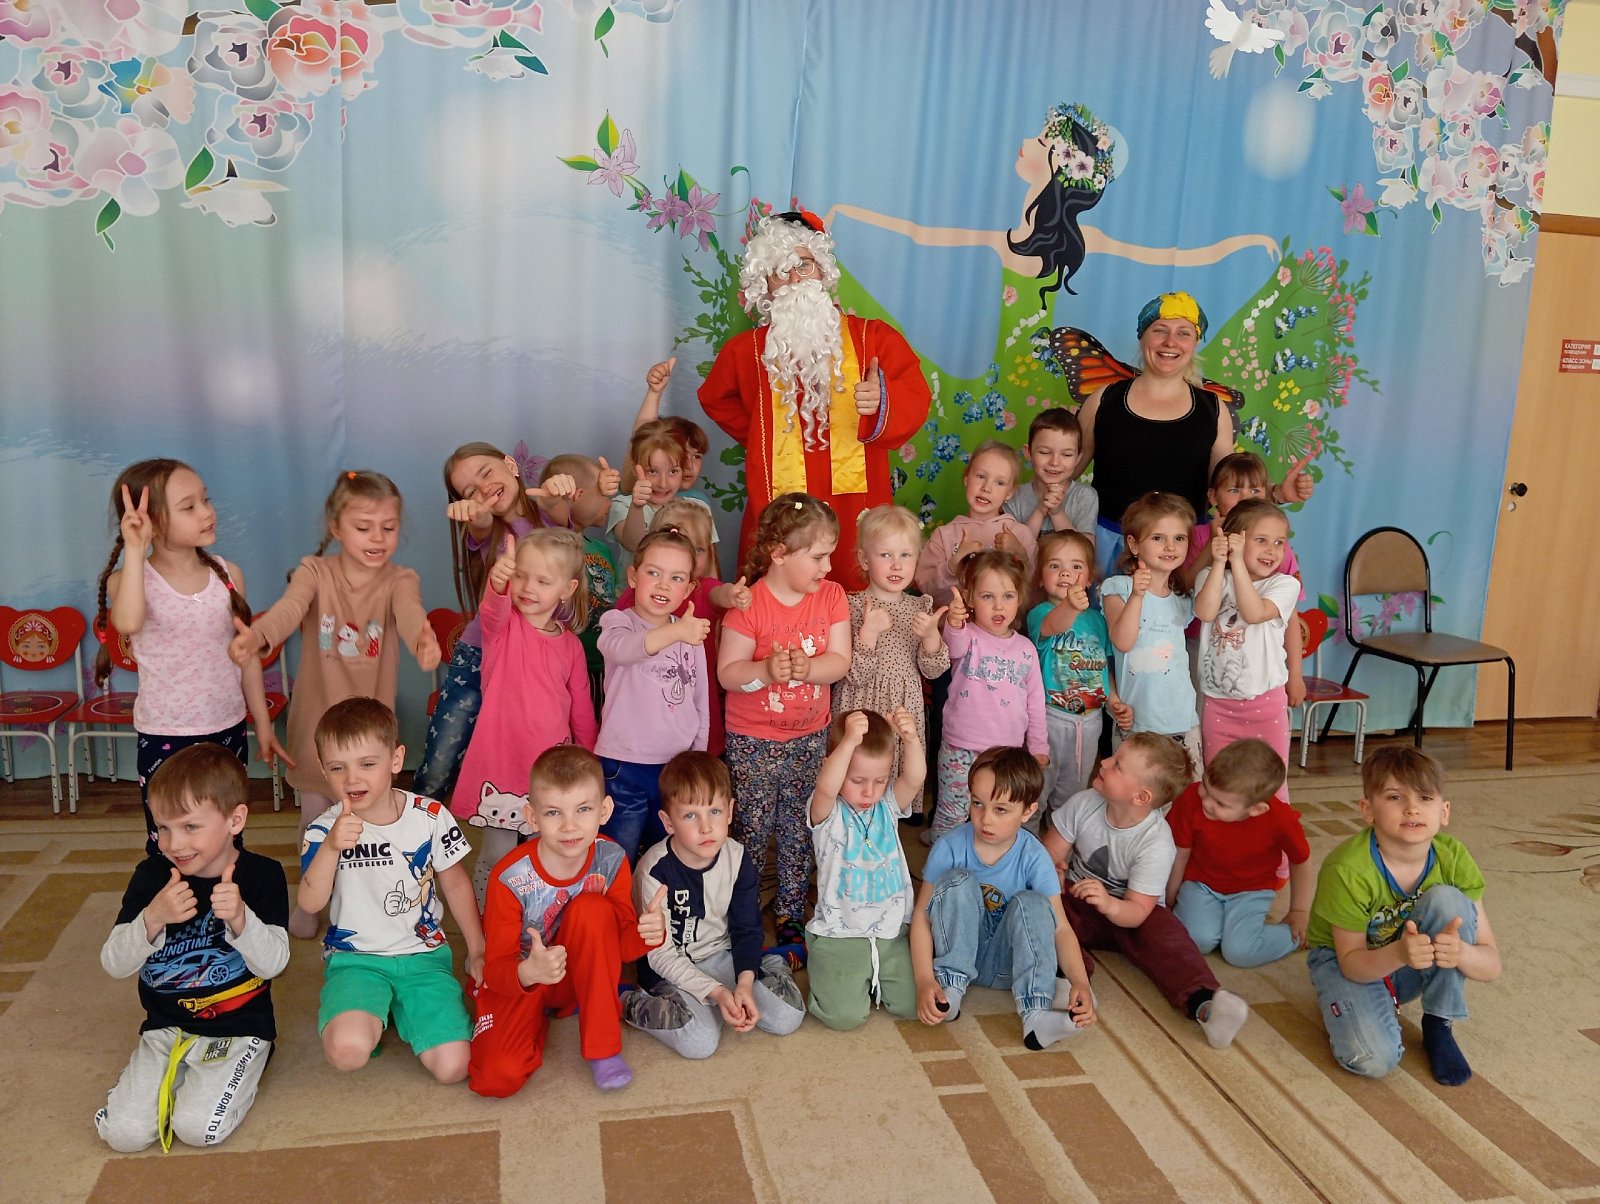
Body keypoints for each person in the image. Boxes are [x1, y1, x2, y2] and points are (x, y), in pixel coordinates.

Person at [228, 471, 441, 937]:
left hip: (368, 736)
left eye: (388, 527)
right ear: (337, 526)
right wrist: (259, 636)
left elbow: (410, 613)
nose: (377, 538)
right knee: (316, 821)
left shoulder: (400, 579)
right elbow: (287, 611)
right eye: (364, 527)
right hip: (316, 730)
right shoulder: (314, 572)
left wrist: (421, 639)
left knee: (371, 821)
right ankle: (310, 900)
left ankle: (364, 903)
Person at [698, 210, 931, 588]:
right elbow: (716, 397)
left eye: (804, 265)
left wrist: (882, 401)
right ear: (765, 284)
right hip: (780, 506)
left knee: (857, 590)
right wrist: (762, 435)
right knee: (774, 599)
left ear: (822, 270)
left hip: (856, 504)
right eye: (780, 270)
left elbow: (916, 393)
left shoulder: (873, 339)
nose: (794, 279)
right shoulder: (746, 352)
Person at [95, 744, 288, 1152]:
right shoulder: (152, 877)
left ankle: (254, 1058)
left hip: (237, 1029)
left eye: (190, 827)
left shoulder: (263, 876)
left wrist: (241, 919)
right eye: (163, 828)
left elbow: (273, 964)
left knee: (197, 1130)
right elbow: (113, 963)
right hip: (164, 1027)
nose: (173, 843)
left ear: (235, 820)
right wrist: (152, 918)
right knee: (123, 1135)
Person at [96, 459, 290, 855]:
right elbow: (128, 622)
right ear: (150, 521)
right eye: (189, 506)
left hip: (227, 729)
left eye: (206, 500)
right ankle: (175, 895)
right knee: (171, 839)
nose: (206, 512)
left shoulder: (228, 574)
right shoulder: (128, 581)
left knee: (227, 833)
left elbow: (246, 657)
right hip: (165, 734)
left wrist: (263, 723)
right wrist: (136, 548)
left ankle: (227, 894)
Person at [297, 698, 482, 1084]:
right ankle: (373, 1011)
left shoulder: (430, 816)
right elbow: (310, 902)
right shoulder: (322, 829)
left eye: (367, 764)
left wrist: (478, 949)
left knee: (454, 1068)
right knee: (347, 1051)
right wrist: (330, 848)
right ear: (323, 769)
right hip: (356, 961)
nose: (352, 779)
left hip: (423, 957)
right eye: (338, 767)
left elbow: (455, 882)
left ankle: (395, 1009)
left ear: (396, 759)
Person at [469, 745, 668, 1096]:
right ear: (531, 817)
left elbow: (620, 948)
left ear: (604, 811)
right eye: (553, 813)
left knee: (593, 909)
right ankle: (537, 1018)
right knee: (495, 1079)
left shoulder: (611, 858)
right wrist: (527, 973)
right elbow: (495, 968)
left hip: (577, 976)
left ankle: (603, 1048)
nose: (569, 826)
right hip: (522, 978)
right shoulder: (508, 877)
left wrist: (647, 933)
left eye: (583, 809)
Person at [1074, 293, 1317, 581]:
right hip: (1111, 548)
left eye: (1183, 333)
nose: (1170, 342)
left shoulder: (1213, 410)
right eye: (1160, 330)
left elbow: (1228, 484)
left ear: (1195, 342)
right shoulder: (1103, 400)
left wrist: (1276, 493)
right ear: (1142, 337)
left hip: (1184, 554)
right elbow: (1067, 470)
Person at [1306, 746, 1500, 1086]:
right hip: (1348, 961)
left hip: (1412, 959)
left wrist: (1461, 953)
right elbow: (1351, 963)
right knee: (1372, 1059)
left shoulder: (1454, 857)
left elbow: (1491, 964)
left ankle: (1438, 1023)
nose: (1412, 808)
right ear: (1368, 810)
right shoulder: (1346, 869)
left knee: (1448, 900)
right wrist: (1399, 953)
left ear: (1444, 811)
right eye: (1395, 797)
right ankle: (1345, 1004)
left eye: (1425, 797)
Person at [1044, 733, 1252, 1049]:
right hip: (1076, 901)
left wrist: (1109, 905)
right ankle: (1070, 982)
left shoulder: (1156, 842)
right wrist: (1054, 872)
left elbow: (1138, 910)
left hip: (1131, 913)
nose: (1104, 762)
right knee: (1041, 909)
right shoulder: (1083, 803)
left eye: (1117, 765)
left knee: (1168, 934)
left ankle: (1206, 1005)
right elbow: (1048, 854)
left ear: (1141, 797)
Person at [413, 442, 594, 801]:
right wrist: (475, 514)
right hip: (478, 654)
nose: (483, 489)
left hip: (532, 657)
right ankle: (417, 824)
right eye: (470, 491)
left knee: (527, 753)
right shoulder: (485, 530)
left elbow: (568, 512)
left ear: (511, 464)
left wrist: (558, 495)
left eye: (486, 473)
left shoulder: (550, 512)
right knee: (440, 761)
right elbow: (481, 525)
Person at [717, 493, 852, 950]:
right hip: (753, 740)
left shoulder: (831, 597)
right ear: (778, 553)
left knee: (799, 827)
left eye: (829, 555)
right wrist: (764, 670)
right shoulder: (749, 603)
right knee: (751, 829)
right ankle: (743, 910)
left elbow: (839, 661)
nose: (827, 567)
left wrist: (807, 668)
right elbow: (728, 673)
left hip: (809, 737)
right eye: (817, 557)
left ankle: (791, 911)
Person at [911, 746, 1093, 1050]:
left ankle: (1036, 1013)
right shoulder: (949, 846)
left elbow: (1060, 928)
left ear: (1028, 811)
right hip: (956, 954)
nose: (985, 819)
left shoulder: (1035, 856)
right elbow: (921, 915)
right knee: (958, 880)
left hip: (1009, 964)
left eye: (1001, 810)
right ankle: (950, 991)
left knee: (1034, 903)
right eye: (977, 804)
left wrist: (1080, 982)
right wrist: (924, 981)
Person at [449, 527, 597, 900]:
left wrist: (590, 762)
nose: (528, 588)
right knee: (497, 855)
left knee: (543, 851)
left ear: (567, 588)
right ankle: (488, 921)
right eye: (520, 576)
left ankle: (536, 917)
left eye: (543, 581)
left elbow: (581, 710)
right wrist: (498, 582)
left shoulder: (571, 646)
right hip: (501, 764)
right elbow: (492, 609)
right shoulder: (502, 628)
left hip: (549, 771)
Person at [624, 752, 805, 1056]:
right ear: (668, 822)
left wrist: (744, 982)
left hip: (724, 955)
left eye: (715, 811)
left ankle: (768, 965)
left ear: (730, 812)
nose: (706, 827)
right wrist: (717, 993)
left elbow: (747, 927)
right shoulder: (654, 871)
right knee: (700, 1043)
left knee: (787, 1017)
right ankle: (629, 1002)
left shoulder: (737, 857)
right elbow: (660, 956)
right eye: (690, 816)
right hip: (673, 968)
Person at [594, 528, 711, 862]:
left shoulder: (689, 633)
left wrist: (698, 756)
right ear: (633, 576)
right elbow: (623, 650)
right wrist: (676, 632)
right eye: (653, 573)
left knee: (668, 853)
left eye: (676, 578)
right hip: (624, 764)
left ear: (688, 589)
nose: (663, 585)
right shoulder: (618, 622)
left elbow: (699, 699)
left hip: (676, 763)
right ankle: (619, 897)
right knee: (619, 852)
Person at [805, 709, 924, 1030]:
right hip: (840, 933)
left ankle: (871, 978)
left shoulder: (887, 805)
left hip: (891, 932)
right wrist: (847, 744)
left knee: (914, 1004)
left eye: (880, 780)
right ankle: (832, 970)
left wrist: (912, 741)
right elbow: (826, 788)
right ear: (835, 765)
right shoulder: (827, 812)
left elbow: (914, 779)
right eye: (857, 780)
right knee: (843, 1017)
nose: (869, 792)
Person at [614, 499, 753, 760]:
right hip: (645, 713)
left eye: (699, 549)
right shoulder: (636, 596)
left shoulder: (702, 588)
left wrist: (733, 594)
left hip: (694, 709)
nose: (690, 555)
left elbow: (719, 594)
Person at [931, 549, 1048, 841]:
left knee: (995, 816)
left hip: (1005, 755)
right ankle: (941, 863)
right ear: (970, 598)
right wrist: (954, 622)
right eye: (987, 596)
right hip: (960, 748)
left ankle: (984, 863)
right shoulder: (967, 635)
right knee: (952, 814)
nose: (999, 606)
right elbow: (953, 646)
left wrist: (1038, 746)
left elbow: (1035, 704)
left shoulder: (1026, 649)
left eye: (1008, 596)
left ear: (1020, 598)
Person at [1165, 739, 1311, 967]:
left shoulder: (1280, 819)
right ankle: (1220, 928)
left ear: (1256, 809)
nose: (1206, 802)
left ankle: (1293, 938)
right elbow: (1180, 854)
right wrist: (1168, 901)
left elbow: (1300, 860)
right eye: (1205, 787)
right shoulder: (1191, 798)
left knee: (1239, 952)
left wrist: (1299, 911)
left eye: (1220, 803)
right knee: (1196, 940)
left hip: (1251, 891)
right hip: (1200, 884)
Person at [1179, 451, 1307, 707]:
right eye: (1234, 490)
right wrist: (1215, 544)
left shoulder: (1276, 547)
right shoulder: (1197, 536)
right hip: (1200, 646)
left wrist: (1295, 675)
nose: (1245, 498)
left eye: (1255, 490)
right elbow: (1185, 586)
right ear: (1213, 497)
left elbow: (1290, 616)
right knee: (1200, 717)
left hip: (1257, 656)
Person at [834, 504, 951, 773]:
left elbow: (933, 671)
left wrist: (931, 636)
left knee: (898, 776)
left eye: (906, 555)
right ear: (865, 559)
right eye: (885, 555)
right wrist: (868, 634)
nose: (897, 564)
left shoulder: (920, 606)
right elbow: (854, 675)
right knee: (858, 775)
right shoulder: (851, 606)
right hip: (861, 706)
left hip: (903, 709)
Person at [1100, 492, 1202, 779]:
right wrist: (1137, 595)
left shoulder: (1182, 598)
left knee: (1186, 793)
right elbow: (1123, 642)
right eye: (1158, 538)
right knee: (1134, 791)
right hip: (1137, 720)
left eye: (1179, 538)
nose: (1170, 546)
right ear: (1134, 544)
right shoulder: (1117, 587)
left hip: (1182, 718)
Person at [1193, 499, 1301, 770]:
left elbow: (1254, 612)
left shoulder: (1285, 584)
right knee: (1218, 776)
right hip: (1218, 703)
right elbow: (1205, 612)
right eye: (1261, 540)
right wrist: (1221, 562)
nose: (1272, 550)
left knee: (1269, 778)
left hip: (1266, 703)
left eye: (1279, 542)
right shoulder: (1210, 575)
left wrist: (1238, 563)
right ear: (1233, 540)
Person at [1027, 530, 1129, 814]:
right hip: (1050, 718)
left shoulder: (1098, 620)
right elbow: (1054, 625)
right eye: (1055, 565)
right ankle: (1029, 835)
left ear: (1089, 578)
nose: (1065, 573)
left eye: (1076, 566)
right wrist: (1070, 605)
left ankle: (1061, 834)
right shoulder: (1039, 613)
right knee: (1038, 787)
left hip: (1091, 720)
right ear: (1040, 577)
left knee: (1073, 792)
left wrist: (1114, 701)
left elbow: (1103, 666)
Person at [914, 440, 1038, 608]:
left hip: (1005, 624)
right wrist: (953, 565)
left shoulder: (1020, 534)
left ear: (1010, 492)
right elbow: (927, 590)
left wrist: (1020, 555)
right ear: (966, 478)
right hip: (955, 623)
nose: (987, 487)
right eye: (981, 476)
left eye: (999, 482)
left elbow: (1036, 591)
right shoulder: (943, 535)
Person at [608, 420, 716, 569]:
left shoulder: (698, 508)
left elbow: (709, 565)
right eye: (652, 471)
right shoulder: (623, 505)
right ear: (635, 469)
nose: (663, 483)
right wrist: (637, 506)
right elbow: (634, 545)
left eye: (673, 471)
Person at [1004, 408, 1099, 545]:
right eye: (1044, 452)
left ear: (1078, 458)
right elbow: (1014, 550)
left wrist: (1057, 513)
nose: (1055, 462)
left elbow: (1086, 551)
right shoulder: (1013, 496)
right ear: (1028, 452)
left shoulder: (1085, 496)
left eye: (1066, 455)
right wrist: (1039, 511)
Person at [634, 356, 714, 507]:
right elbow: (643, 438)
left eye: (697, 456)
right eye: (683, 454)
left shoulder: (699, 502)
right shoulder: (637, 495)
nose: (689, 466)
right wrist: (654, 393)